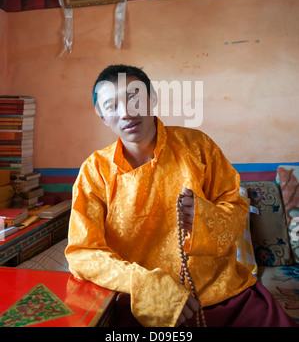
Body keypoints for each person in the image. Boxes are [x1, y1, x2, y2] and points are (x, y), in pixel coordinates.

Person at [65, 64, 297, 327]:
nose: (126, 113)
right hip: (142, 304)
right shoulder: (95, 171)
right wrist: (143, 283)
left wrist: (205, 219)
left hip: (221, 293)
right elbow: (82, 253)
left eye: (134, 98)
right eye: (112, 106)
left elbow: (236, 207)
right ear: (103, 118)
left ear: (152, 100)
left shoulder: (197, 147)